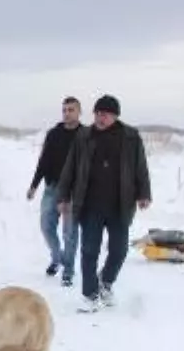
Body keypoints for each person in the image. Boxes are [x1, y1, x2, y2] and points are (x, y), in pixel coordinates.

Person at [56, 94, 152, 312]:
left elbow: (140, 168)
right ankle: (89, 295)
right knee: (90, 250)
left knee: (119, 250)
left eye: (105, 114)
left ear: (115, 116)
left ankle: (105, 282)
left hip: (120, 205)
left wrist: (143, 193)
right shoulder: (84, 136)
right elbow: (69, 168)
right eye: (97, 113)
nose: (100, 118)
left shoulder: (130, 137)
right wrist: (63, 197)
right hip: (90, 205)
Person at [27, 97, 82, 286]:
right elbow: (43, 162)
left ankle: (68, 270)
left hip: (74, 192)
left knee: (70, 232)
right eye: (65, 110)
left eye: (71, 110)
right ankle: (57, 257)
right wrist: (34, 185)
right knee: (46, 226)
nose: (67, 113)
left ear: (79, 112)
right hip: (52, 187)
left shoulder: (85, 135)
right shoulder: (53, 134)